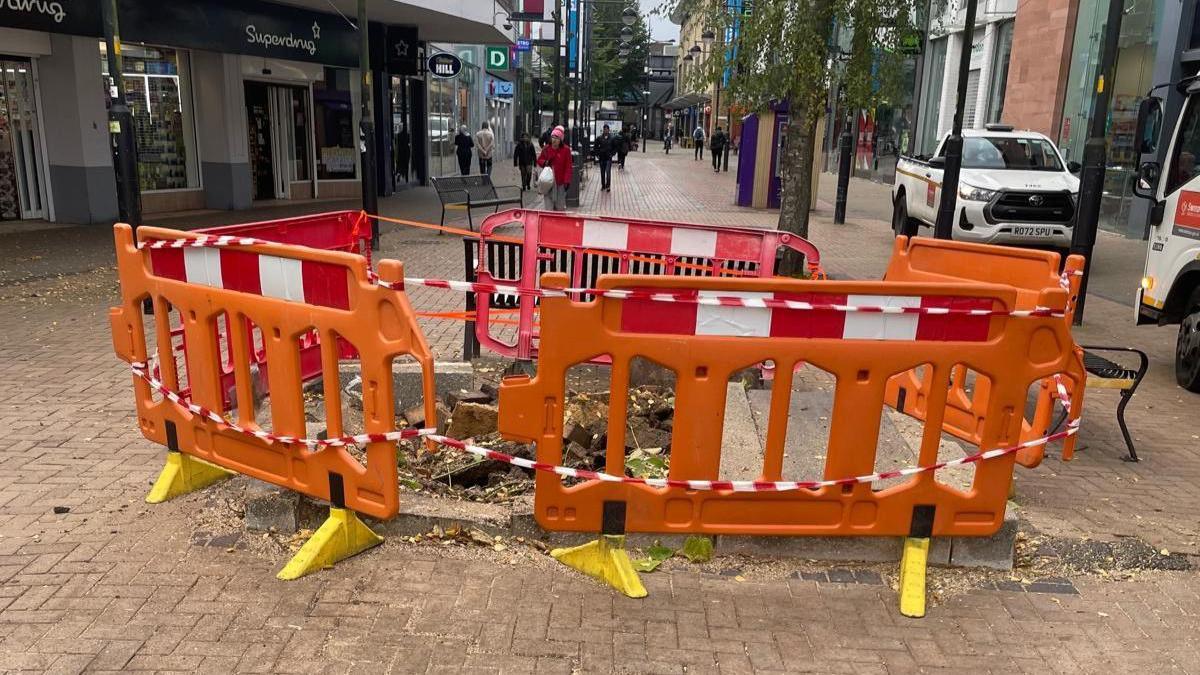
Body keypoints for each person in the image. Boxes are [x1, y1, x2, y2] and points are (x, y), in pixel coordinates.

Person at [537, 126, 573, 211]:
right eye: (553, 137)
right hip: (548, 182)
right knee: (548, 207)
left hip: (560, 182)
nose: (554, 140)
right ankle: (549, 222)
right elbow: (539, 160)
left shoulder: (566, 150)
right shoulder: (546, 148)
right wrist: (545, 162)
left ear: (561, 139)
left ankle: (558, 222)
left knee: (560, 206)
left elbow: (568, 167)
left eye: (557, 138)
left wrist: (567, 181)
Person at [594, 124, 616, 191]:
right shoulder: (599, 138)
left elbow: (615, 147)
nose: (605, 130)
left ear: (608, 130)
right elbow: (596, 147)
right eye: (604, 129)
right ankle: (603, 185)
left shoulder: (612, 138)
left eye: (607, 129)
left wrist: (612, 154)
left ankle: (608, 186)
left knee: (608, 172)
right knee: (602, 172)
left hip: (608, 158)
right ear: (603, 130)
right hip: (602, 158)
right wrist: (597, 154)